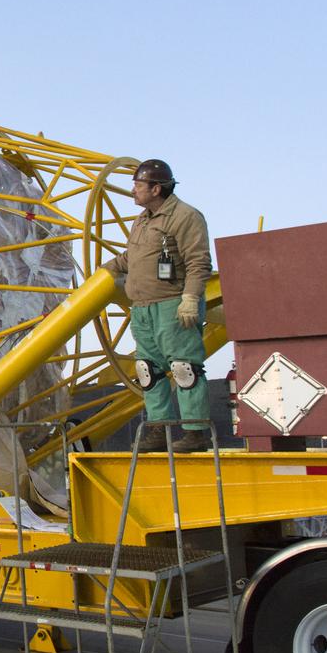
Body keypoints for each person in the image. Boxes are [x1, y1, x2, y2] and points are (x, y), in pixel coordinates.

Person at [102, 160, 213, 453]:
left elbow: (198, 262)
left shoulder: (186, 216)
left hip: (172, 304)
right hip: (142, 307)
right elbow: (132, 257)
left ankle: (196, 431)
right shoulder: (143, 219)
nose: (133, 191)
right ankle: (159, 430)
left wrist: (190, 298)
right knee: (147, 369)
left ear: (156, 188)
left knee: (183, 367)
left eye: (138, 186)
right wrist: (106, 270)